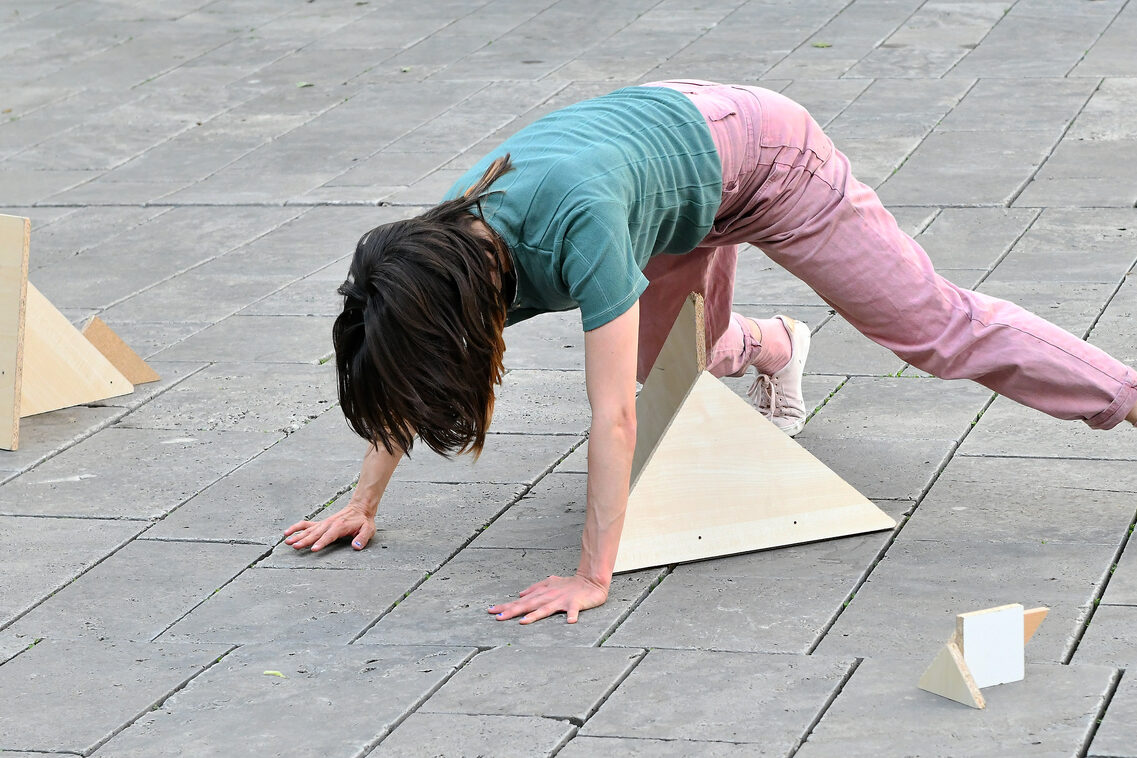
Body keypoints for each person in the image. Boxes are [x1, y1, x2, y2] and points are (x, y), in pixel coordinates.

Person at [283, 80, 1137, 626]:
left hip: (766, 158)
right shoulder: (440, 256)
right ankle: (775, 347)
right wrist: (363, 501)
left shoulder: (570, 227)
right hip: (664, 184)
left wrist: (591, 576)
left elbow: (610, 416)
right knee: (675, 372)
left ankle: (1127, 394)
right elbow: (407, 353)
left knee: (933, 329)